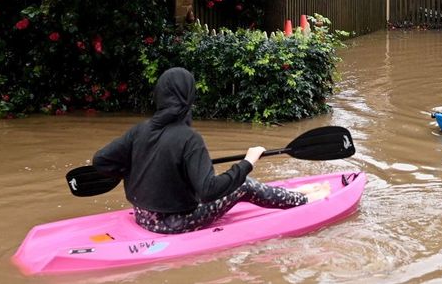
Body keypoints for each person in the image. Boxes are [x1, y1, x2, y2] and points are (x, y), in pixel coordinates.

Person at [93, 66, 329, 235]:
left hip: (142, 217)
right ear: (189, 96)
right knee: (244, 184)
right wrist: (248, 162)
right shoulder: (189, 139)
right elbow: (208, 192)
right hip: (172, 224)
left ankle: (295, 196)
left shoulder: (140, 130)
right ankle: (303, 200)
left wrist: (134, 166)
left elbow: (101, 161)